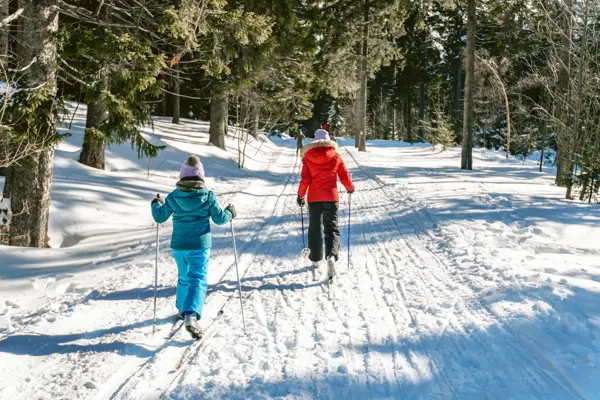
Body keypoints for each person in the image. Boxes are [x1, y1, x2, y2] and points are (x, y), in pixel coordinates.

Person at [151, 155, 236, 339]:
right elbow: (220, 219)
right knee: (197, 278)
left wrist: (156, 204)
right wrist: (230, 212)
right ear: (201, 177)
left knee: (183, 277)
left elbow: (159, 217)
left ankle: (183, 309)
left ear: (182, 177)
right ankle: (190, 314)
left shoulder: (174, 196)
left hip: (180, 245)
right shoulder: (207, 196)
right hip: (199, 245)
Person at [297, 129, 354, 282]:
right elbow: (344, 175)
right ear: (329, 140)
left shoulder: (308, 157)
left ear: (315, 141)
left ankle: (315, 260)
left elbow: (305, 179)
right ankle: (331, 256)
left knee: (314, 228)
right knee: (331, 227)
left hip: (314, 198)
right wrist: (350, 188)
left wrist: (300, 195)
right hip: (331, 197)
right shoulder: (335, 156)